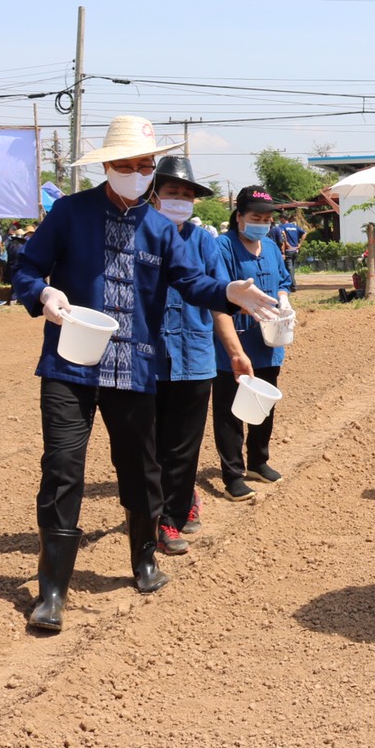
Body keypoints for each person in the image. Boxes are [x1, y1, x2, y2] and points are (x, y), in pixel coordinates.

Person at [12, 116, 281, 633]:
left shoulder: (161, 229)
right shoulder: (70, 214)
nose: (135, 173)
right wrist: (43, 294)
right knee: (63, 468)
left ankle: (143, 559)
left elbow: (193, 281)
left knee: (139, 466)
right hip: (70, 364)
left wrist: (230, 293)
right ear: (106, 167)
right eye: (124, 165)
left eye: (143, 165)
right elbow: (26, 269)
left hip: (134, 366)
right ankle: (52, 591)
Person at [151, 156, 238, 554]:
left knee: (184, 443)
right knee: (151, 442)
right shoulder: (138, 237)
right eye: (173, 193)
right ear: (154, 196)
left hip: (195, 354)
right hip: (148, 358)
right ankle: (163, 509)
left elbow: (219, 301)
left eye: (187, 195)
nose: (181, 200)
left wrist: (235, 352)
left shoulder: (204, 242)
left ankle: (175, 511)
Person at [213, 185, 296, 500]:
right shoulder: (222, 247)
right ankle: (232, 474)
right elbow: (218, 291)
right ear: (239, 217)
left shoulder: (272, 247)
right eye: (255, 217)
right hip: (234, 341)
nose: (262, 222)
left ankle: (258, 461)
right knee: (230, 408)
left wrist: (284, 301)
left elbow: (283, 282)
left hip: (269, 340)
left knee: (264, 401)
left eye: (266, 218)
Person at [277, 211, 304, 286]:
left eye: (280, 218)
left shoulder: (281, 226)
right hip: (295, 250)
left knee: (289, 268)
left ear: (283, 219)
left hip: (288, 250)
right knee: (292, 267)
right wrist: (300, 244)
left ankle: (293, 285)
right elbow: (305, 233)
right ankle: (291, 283)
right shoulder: (294, 226)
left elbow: (283, 234)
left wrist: (286, 242)